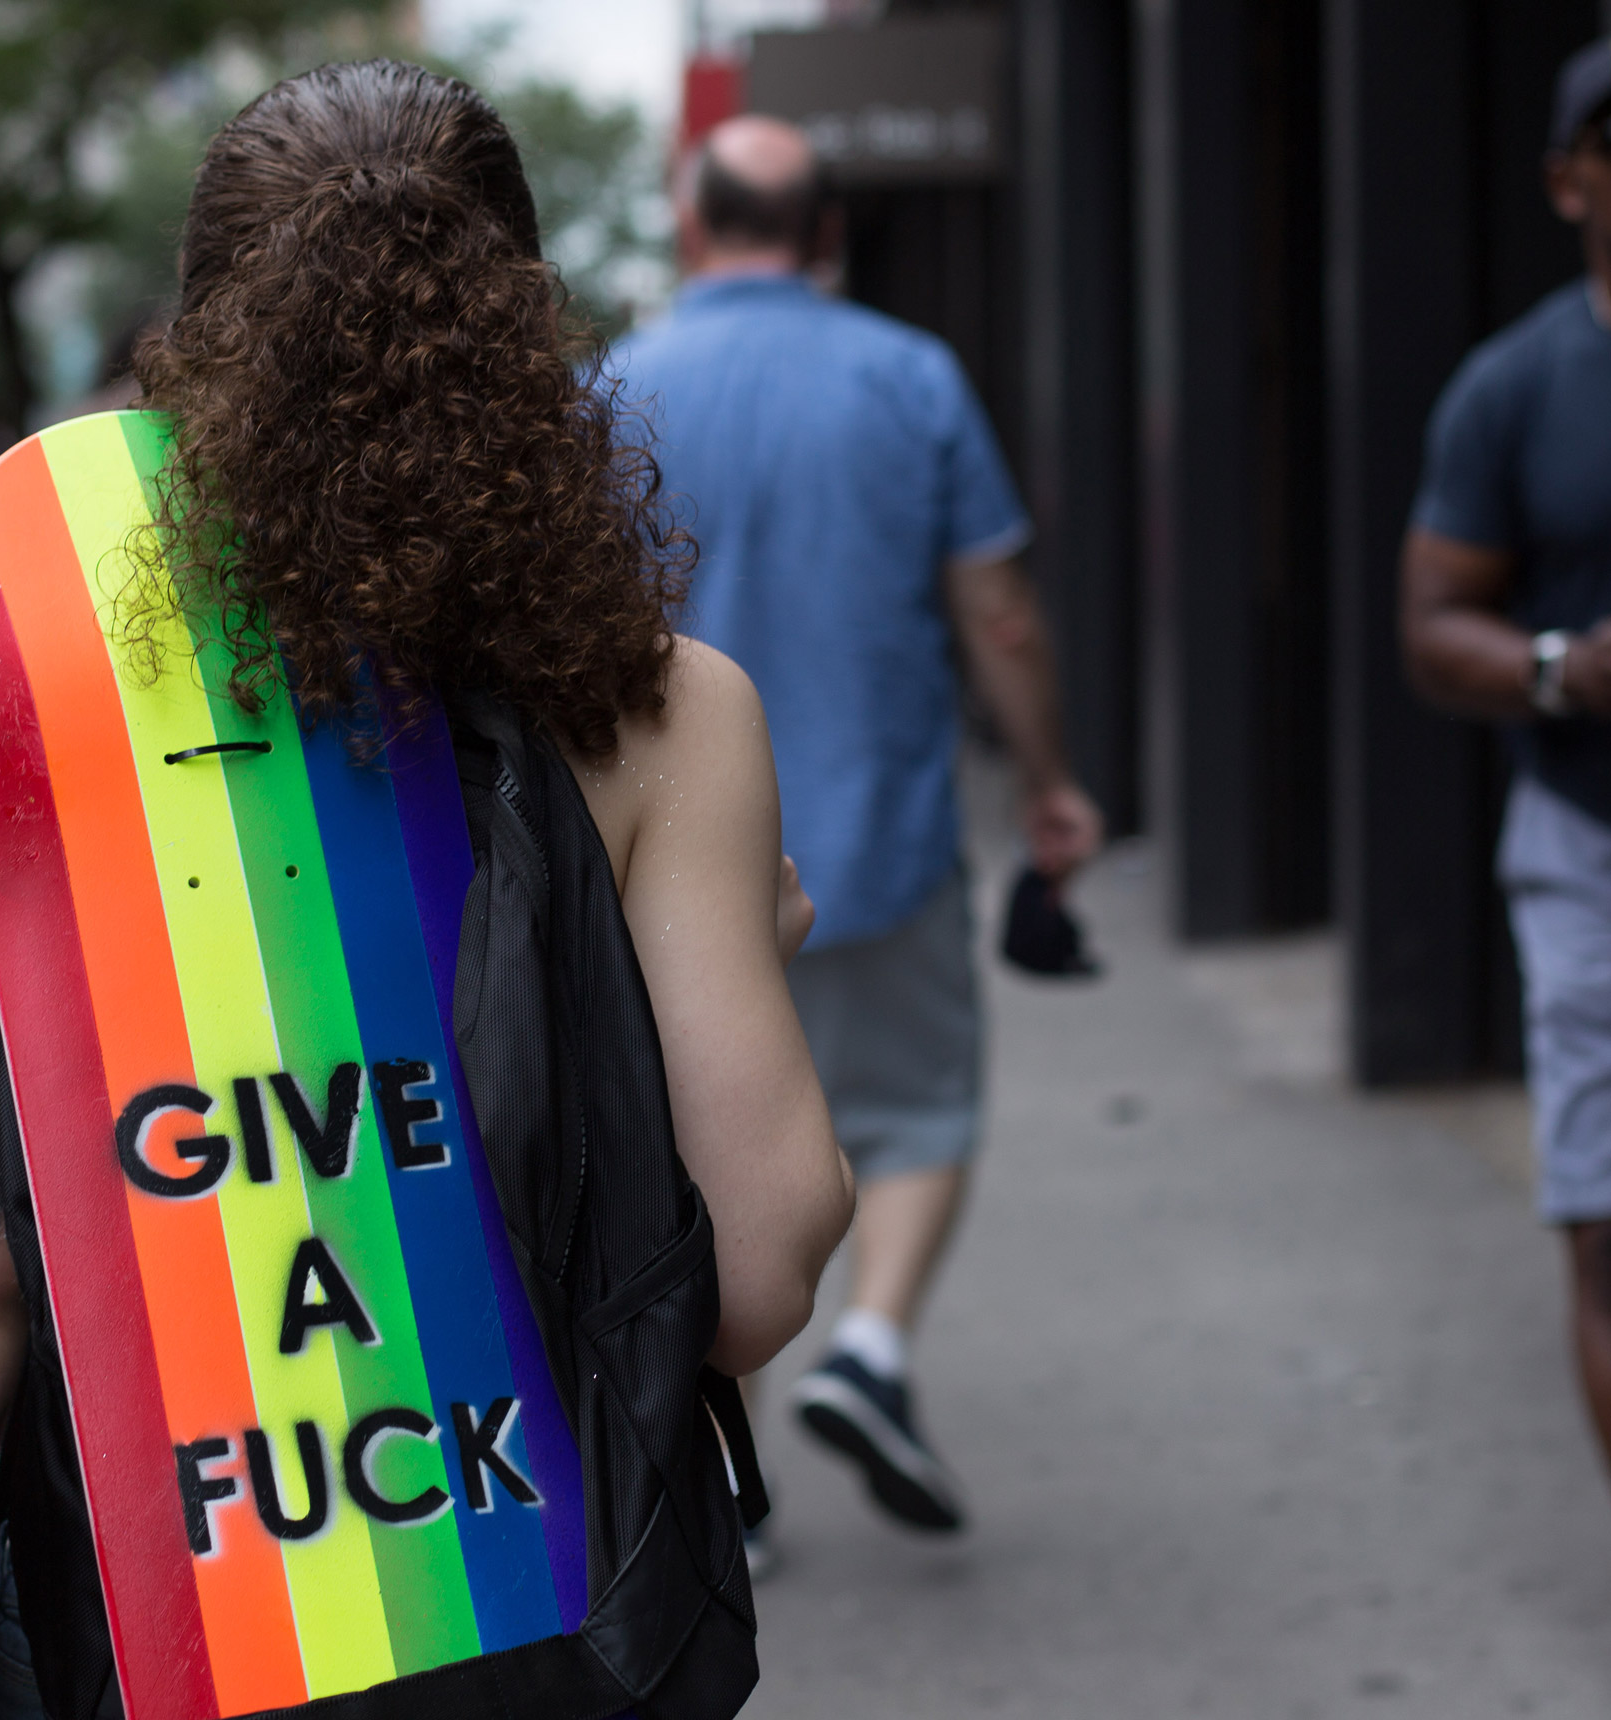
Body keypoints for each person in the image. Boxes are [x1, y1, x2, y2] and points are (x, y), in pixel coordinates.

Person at [0, 61, 852, 1720]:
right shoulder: (666, 711)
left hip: (158, 1637)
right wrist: (730, 971)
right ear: (525, 330)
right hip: (552, 1631)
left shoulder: (14, 723)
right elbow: (756, 1280)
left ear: (191, 352)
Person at [613, 117, 1103, 1543]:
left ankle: (728, 1468)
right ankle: (875, 1344)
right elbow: (1000, 613)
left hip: (672, 867)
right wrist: (1052, 776)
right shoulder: (912, 375)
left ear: (696, 224)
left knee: (695, 1146)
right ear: (828, 233)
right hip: (880, 825)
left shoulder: (610, 389)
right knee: (922, 1111)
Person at [1399, 37, 1611, 1482]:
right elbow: (1432, 627)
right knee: (1606, 1227)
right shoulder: (1517, 387)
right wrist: (1563, 669)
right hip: (1589, 847)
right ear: (1569, 178)